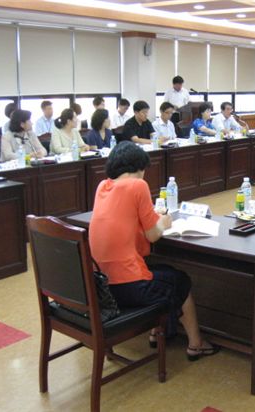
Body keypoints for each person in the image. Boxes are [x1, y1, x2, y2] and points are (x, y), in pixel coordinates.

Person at [89, 141, 220, 360]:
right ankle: (196, 344)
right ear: (138, 168)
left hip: (102, 287)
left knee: (162, 272)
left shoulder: (102, 186)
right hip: (128, 287)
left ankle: (156, 333)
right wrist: (164, 222)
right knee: (179, 280)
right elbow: (152, 235)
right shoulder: (137, 185)